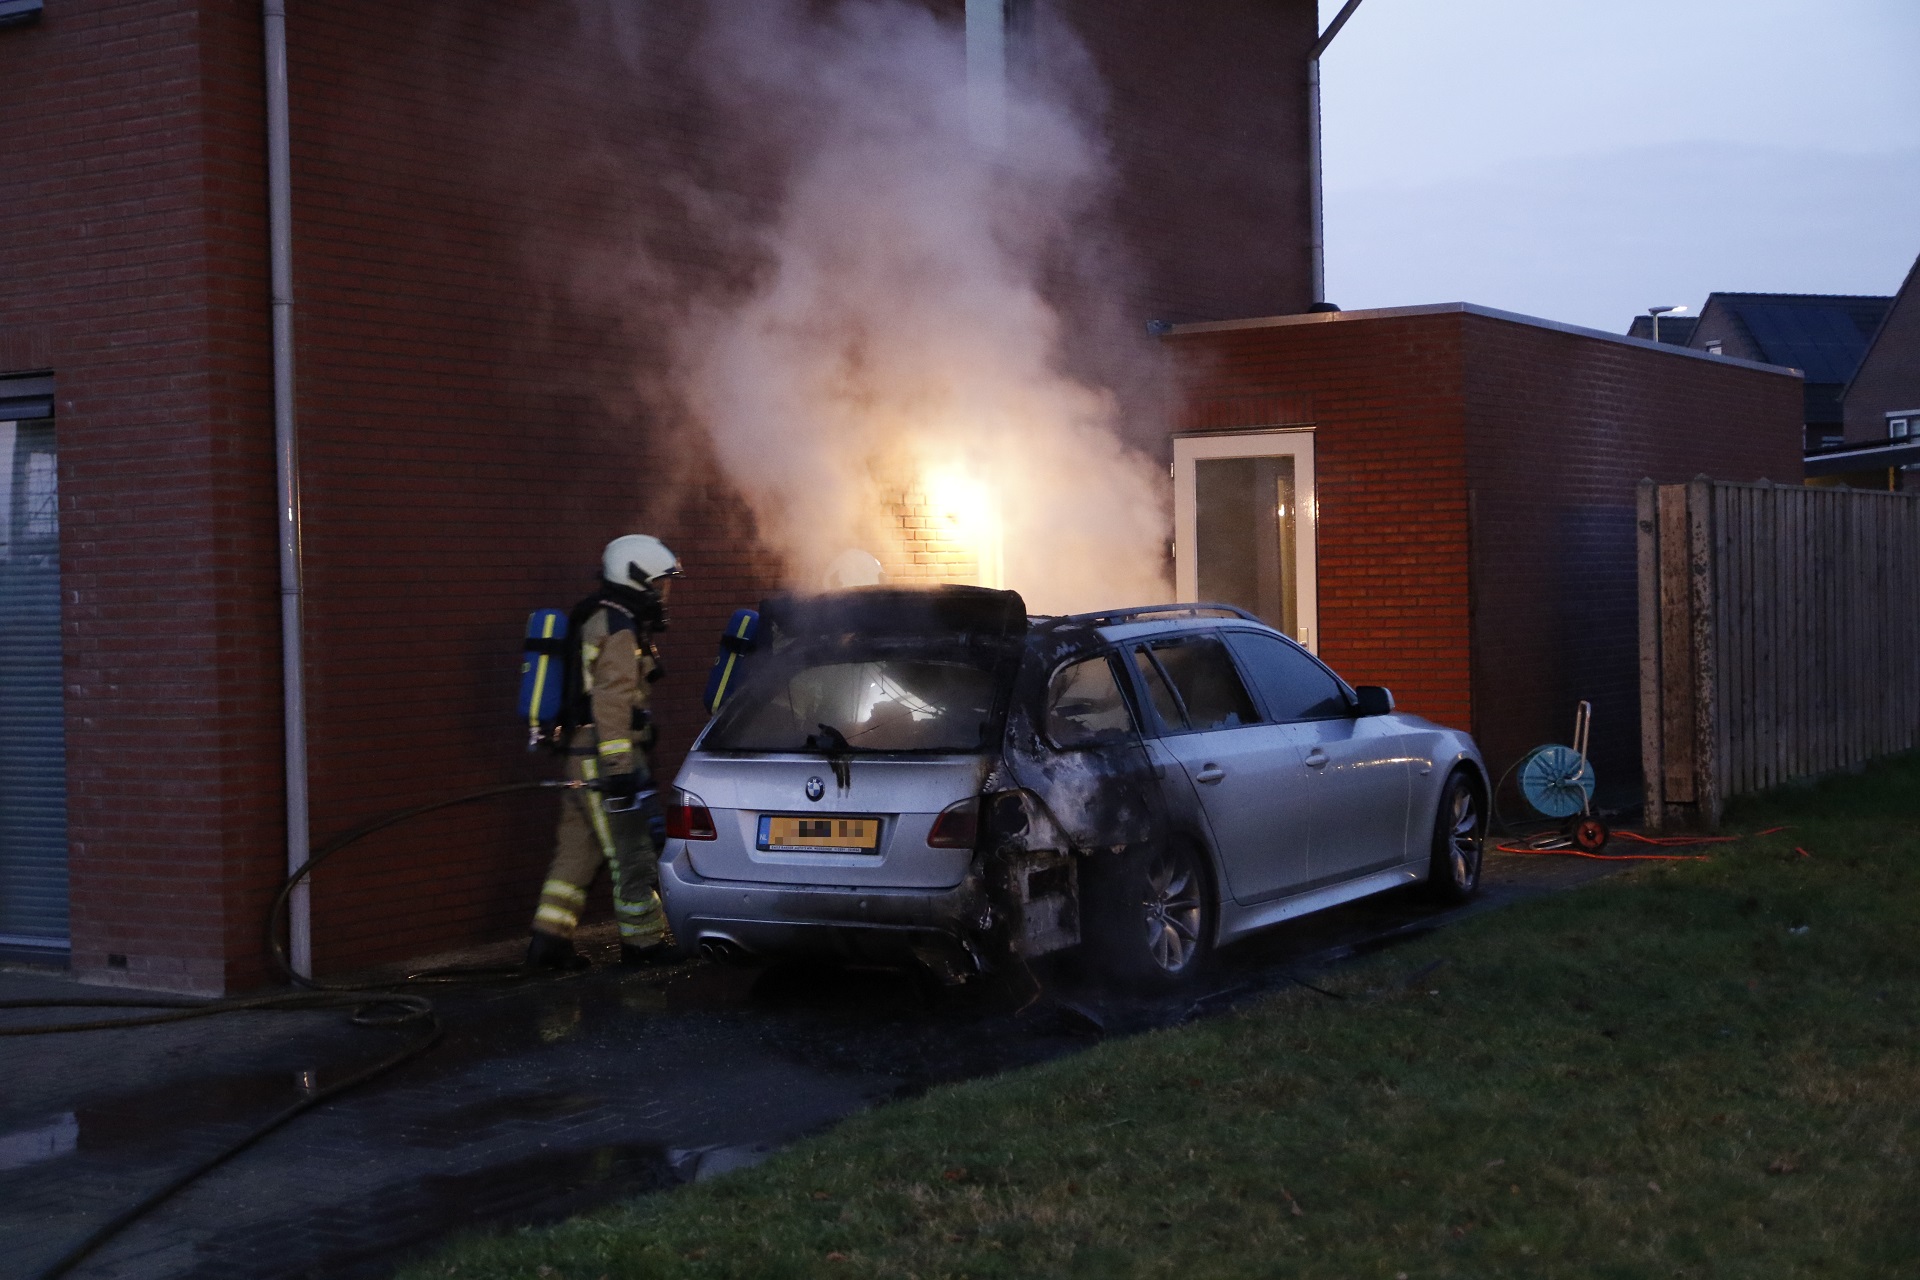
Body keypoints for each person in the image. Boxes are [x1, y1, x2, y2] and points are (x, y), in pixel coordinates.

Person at [526, 534, 680, 970]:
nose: (663, 591)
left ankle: (548, 944)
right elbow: (611, 701)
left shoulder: (600, 616)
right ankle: (644, 945)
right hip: (604, 757)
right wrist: (620, 769)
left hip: (582, 752)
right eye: (660, 582)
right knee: (631, 850)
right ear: (637, 578)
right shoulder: (619, 628)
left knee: (577, 850)